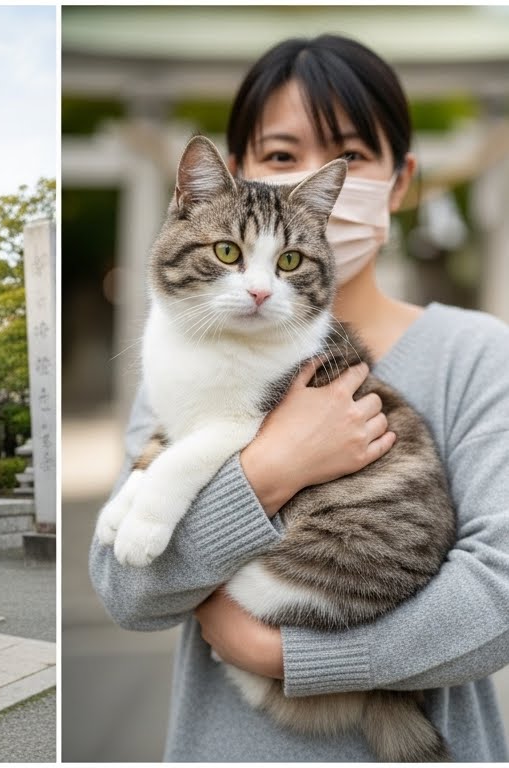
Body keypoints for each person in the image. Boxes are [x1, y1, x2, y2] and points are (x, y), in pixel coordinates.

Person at [90, 34, 509, 761]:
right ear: (239, 173)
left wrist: (281, 654)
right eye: (281, 156)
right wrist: (271, 468)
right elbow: (126, 588)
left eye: (344, 153)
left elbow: (497, 597)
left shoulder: (478, 352)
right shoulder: (192, 339)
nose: (309, 175)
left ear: (399, 180)